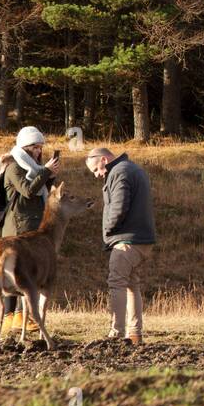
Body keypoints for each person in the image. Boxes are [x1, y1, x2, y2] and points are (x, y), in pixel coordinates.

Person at [86, 147, 156, 345]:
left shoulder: (119, 172)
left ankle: (116, 333)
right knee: (132, 285)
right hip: (141, 239)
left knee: (116, 282)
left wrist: (108, 229)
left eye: (96, 170)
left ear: (103, 159)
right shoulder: (132, 169)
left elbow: (119, 206)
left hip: (126, 241)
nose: (97, 175)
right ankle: (134, 333)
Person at [0, 126, 59, 334]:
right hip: (17, 230)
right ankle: (11, 318)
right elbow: (28, 191)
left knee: (26, 274)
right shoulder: (14, 167)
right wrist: (45, 172)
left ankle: (20, 318)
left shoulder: (34, 167)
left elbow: (46, 193)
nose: (39, 152)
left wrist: (49, 176)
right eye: (35, 147)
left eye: (40, 147)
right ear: (24, 147)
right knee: (15, 275)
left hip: (31, 229)